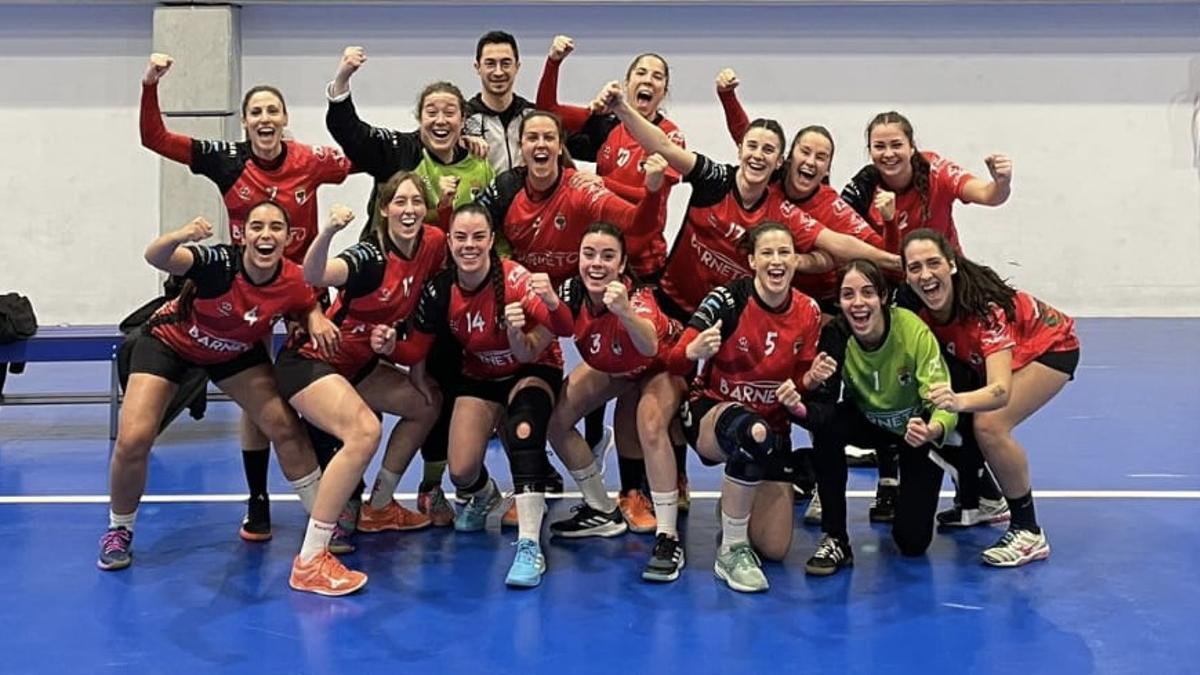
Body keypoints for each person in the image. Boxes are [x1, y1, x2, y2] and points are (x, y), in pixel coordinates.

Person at [139, 52, 351, 541]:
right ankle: (258, 501)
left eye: (272, 111)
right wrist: (151, 83)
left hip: (300, 295)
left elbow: (365, 152)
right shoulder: (227, 160)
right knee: (261, 405)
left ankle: (336, 501)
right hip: (245, 291)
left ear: (285, 120)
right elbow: (155, 138)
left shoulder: (310, 161)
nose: (265, 119)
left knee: (312, 392)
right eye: (255, 112)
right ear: (245, 122)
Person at [98, 204, 331, 571]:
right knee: (133, 439)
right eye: (257, 227)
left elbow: (307, 303)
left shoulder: (295, 279)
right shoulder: (219, 263)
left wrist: (314, 316)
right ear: (243, 235)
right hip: (169, 343)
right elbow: (156, 255)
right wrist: (182, 235)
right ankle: (119, 529)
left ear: (289, 238)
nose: (265, 235)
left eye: (275, 227)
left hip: (233, 351)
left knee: (285, 426)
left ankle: (324, 528)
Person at [324, 45, 497, 518]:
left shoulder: (478, 164)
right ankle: (349, 496)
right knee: (362, 393)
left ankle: (427, 487)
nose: (441, 120)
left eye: (451, 112)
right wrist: (342, 79)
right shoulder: (398, 150)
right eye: (432, 111)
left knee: (433, 389)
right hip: (379, 295)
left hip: (439, 297)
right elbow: (349, 132)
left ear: (464, 120)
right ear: (419, 118)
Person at [472, 111, 669, 526]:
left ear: (561, 145)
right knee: (533, 403)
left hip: (595, 300)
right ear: (521, 146)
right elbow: (471, 234)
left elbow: (640, 225)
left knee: (633, 383)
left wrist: (652, 190)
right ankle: (538, 481)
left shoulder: (581, 190)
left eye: (549, 137)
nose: (540, 145)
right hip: (548, 302)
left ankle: (638, 494)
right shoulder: (506, 189)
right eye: (532, 138)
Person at [372, 204, 563, 588]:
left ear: (492, 240)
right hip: (481, 376)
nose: (469, 245)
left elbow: (562, 325)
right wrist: (390, 346)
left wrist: (552, 305)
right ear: (450, 242)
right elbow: (415, 351)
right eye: (461, 237)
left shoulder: (515, 280)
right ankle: (485, 494)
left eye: (479, 236)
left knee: (523, 429)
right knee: (460, 470)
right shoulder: (442, 289)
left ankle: (529, 545)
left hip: (531, 368)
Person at [536, 36, 690, 510]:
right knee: (606, 362)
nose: (648, 80)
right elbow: (549, 116)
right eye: (641, 73)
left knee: (653, 380)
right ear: (627, 83)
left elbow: (653, 188)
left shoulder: (667, 136)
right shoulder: (606, 126)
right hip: (600, 264)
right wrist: (554, 60)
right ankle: (622, 486)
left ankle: (671, 482)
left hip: (644, 270)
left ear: (664, 92)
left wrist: (599, 180)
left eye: (657, 76)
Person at [597, 80, 897, 321]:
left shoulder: (783, 212)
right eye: (752, 147)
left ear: (779, 161)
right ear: (740, 150)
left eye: (768, 151)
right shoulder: (713, 178)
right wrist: (622, 108)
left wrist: (897, 262)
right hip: (670, 303)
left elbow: (836, 242)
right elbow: (663, 144)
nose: (758, 155)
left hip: (728, 322)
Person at [278, 176, 445, 544]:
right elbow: (314, 274)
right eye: (400, 202)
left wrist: (416, 370)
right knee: (365, 429)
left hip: (359, 366)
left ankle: (381, 505)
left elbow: (424, 309)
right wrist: (328, 232)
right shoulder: (370, 256)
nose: (409, 209)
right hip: (314, 362)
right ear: (384, 209)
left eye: (417, 201)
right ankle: (317, 544)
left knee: (426, 403)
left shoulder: (432, 242)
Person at [667, 223, 831, 592]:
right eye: (768, 253)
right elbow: (675, 361)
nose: (777, 261)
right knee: (751, 431)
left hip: (773, 429)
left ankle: (736, 501)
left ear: (795, 260)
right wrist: (692, 352)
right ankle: (731, 550)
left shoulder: (808, 311)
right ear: (753, 260)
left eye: (784, 253)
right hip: (712, 413)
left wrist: (810, 381)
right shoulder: (727, 300)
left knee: (775, 548)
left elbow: (800, 380)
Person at [902, 228, 1079, 566]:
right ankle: (985, 499)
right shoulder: (913, 306)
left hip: (1051, 347)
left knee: (988, 424)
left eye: (933, 263)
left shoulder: (984, 310)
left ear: (951, 264)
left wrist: (958, 401)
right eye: (915, 268)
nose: (925, 275)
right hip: (995, 355)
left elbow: (1000, 390)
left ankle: (1029, 531)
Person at [541, 222, 689, 582]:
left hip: (661, 366)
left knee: (649, 422)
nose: (596, 264)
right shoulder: (571, 293)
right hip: (616, 367)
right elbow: (539, 335)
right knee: (555, 420)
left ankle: (668, 537)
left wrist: (624, 312)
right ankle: (600, 508)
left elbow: (650, 345)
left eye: (608, 257)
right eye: (589, 254)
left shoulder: (635, 299)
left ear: (622, 265)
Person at [801, 259, 959, 577]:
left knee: (912, 543)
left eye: (867, 293)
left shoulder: (911, 330)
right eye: (848, 295)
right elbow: (822, 407)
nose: (858, 303)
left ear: (883, 297)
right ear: (839, 302)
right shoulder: (837, 334)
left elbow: (943, 396)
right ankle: (835, 538)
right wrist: (811, 384)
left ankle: (906, 488)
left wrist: (933, 428)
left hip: (914, 430)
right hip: (869, 422)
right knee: (827, 426)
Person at [841, 111, 1012, 253]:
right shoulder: (862, 187)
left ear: (912, 147)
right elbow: (840, 236)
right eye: (879, 146)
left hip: (948, 273)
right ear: (869, 151)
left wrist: (1002, 183)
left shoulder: (937, 171)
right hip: (893, 275)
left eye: (896, 145)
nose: (888, 154)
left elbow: (989, 196)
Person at [465, 31, 537, 174]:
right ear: (477, 67)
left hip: (527, 196)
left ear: (517, 67)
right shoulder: (463, 118)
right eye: (490, 64)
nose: (498, 72)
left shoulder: (533, 115)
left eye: (505, 63)